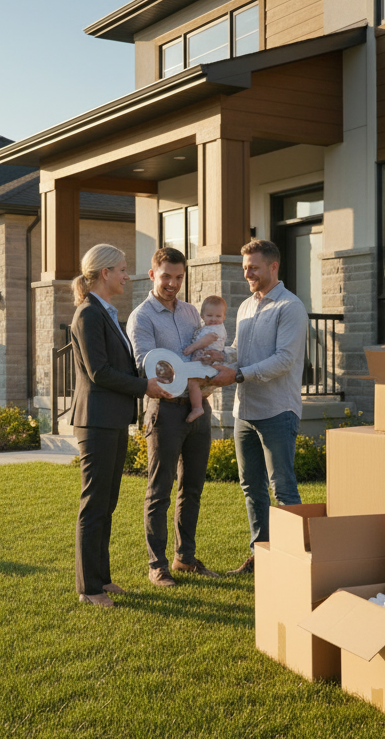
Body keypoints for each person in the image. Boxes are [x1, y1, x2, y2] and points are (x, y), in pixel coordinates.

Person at [70, 243, 173, 607]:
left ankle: (103, 579)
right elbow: (99, 372)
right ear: (104, 274)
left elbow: (120, 367)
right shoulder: (88, 315)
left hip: (111, 420)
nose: (127, 275)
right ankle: (89, 588)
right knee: (94, 504)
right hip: (95, 422)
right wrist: (144, 385)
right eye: (123, 270)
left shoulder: (106, 313)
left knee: (107, 502)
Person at [127, 247, 232, 587]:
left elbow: (208, 349)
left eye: (178, 277)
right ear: (152, 275)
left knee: (193, 487)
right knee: (160, 490)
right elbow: (149, 365)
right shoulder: (142, 317)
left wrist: (218, 357)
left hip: (199, 409)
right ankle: (157, 564)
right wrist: (190, 371)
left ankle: (184, 558)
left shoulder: (191, 313)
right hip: (167, 411)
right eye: (166, 276)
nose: (172, 283)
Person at [204, 239, 308, 575]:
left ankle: (296, 560)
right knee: (251, 487)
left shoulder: (290, 307)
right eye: (245, 267)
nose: (247, 273)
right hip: (244, 412)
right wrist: (224, 356)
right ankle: (261, 555)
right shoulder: (247, 306)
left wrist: (237, 375)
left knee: (283, 487)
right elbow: (240, 349)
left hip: (277, 410)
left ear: (273, 266)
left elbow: (283, 360)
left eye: (253, 267)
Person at [181, 296, 228, 424]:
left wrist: (191, 348)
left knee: (193, 381)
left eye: (218, 316)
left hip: (208, 362)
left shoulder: (216, 329)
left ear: (224, 317)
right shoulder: (206, 326)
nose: (214, 319)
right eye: (209, 315)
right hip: (203, 361)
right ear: (202, 316)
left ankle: (197, 408)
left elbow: (206, 340)